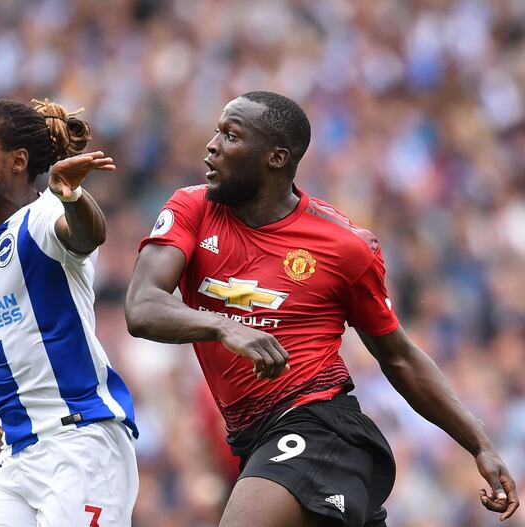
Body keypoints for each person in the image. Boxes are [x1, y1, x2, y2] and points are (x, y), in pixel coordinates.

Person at [125, 91, 519, 527]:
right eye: (217, 131)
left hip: (320, 426)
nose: (212, 145)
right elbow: (142, 307)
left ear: (276, 158)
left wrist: (479, 443)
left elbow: (399, 356)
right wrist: (223, 326)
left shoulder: (343, 245)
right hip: (255, 440)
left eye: (231, 135)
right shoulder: (192, 209)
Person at [0, 99, 138, 527]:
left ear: (18, 161)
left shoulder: (45, 215)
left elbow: (87, 235)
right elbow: (5, 321)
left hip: (81, 445)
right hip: (21, 455)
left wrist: (73, 198)